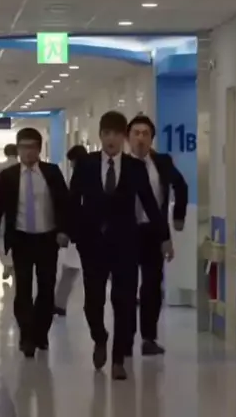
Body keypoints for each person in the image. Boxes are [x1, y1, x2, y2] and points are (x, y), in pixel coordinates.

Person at [68, 111, 173, 380]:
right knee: (93, 302)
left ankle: (117, 360)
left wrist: (164, 237)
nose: (111, 139)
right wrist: (73, 234)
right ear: (100, 136)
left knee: (124, 302)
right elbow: (72, 201)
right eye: (107, 134)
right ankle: (100, 337)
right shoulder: (86, 164)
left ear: (123, 138)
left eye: (116, 134)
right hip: (92, 245)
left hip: (125, 244)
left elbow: (150, 204)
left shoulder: (135, 168)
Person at [0, 128, 69, 358]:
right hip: (21, 238)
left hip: (47, 238)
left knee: (46, 287)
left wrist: (64, 230)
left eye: (32, 147)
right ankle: (26, 335)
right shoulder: (8, 176)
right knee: (22, 288)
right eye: (23, 147)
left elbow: (64, 203)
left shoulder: (51, 172)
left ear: (39, 149)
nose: (27, 152)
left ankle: (41, 333)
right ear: (18, 149)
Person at [127, 115, 188, 355]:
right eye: (136, 133)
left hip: (153, 232)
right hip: (127, 232)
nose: (140, 138)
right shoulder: (119, 164)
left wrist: (178, 218)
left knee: (152, 286)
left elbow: (181, 186)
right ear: (128, 137)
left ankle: (148, 337)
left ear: (152, 138)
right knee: (126, 286)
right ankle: (126, 336)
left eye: (145, 134)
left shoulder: (161, 162)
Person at [53, 144, 88, 317]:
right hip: (90, 230)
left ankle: (59, 304)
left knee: (70, 269)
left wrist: (65, 229)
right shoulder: (95, 172)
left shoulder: (79, 177)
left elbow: (72, 206)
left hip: (79, 231)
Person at [0, 143, 19, 280]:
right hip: (20, 207)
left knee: (2, 237)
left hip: (3, 206)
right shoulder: (23, 167)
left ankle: (6, 265)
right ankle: (15, 264)